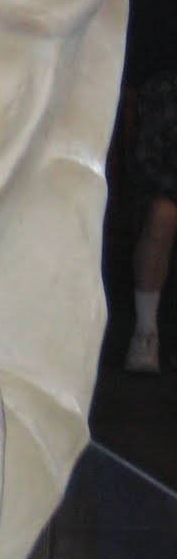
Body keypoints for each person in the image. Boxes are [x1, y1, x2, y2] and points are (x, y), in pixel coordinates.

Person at [124, 69, 177, 373]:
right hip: (164, 192)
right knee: (162, 215)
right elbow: (146, 162)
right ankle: (146, 333)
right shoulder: (164, 90)